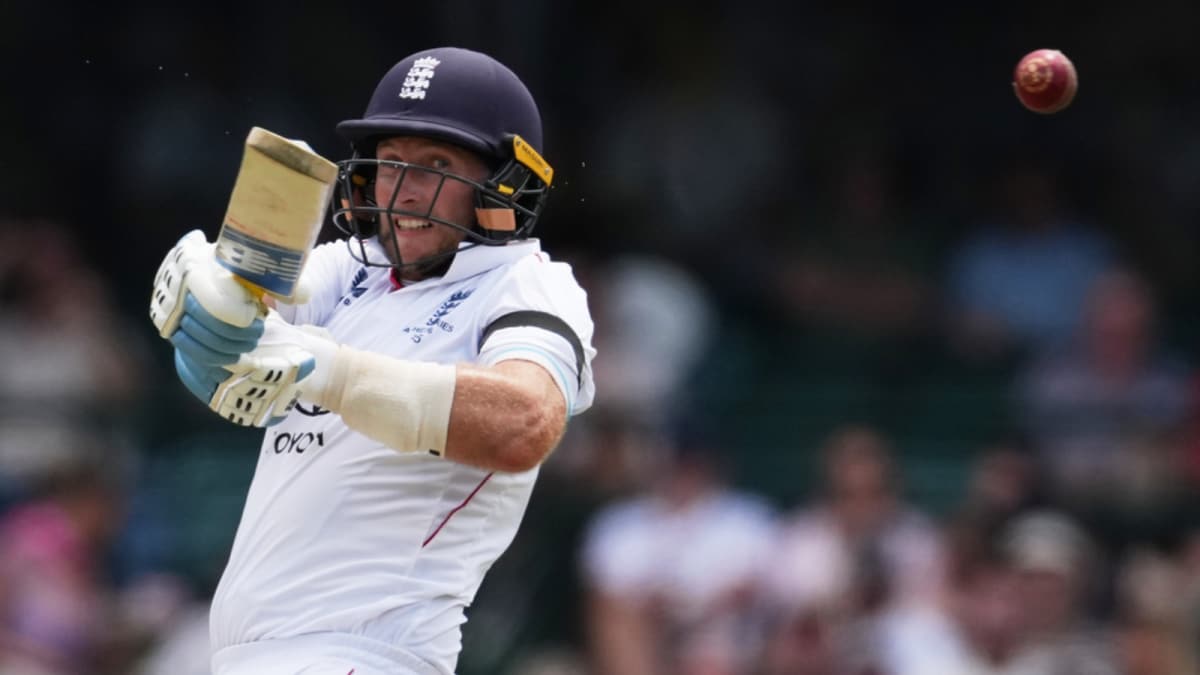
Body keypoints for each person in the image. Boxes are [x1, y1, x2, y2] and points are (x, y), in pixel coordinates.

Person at [147, 46, 596, 675]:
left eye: (436, 165)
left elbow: (526, 422)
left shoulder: (527, 281)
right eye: (390, 163)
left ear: (503, 183)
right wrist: (212, 299)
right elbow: (240, 316)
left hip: (365, 655)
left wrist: (331, 371)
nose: (403, 193)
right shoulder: (352, 270)